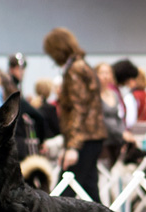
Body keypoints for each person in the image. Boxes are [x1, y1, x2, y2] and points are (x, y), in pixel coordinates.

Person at [43, 27, 106, 202]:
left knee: (62, 192)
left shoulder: (75, 70)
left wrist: (72, 147)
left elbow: (79, 109)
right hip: (91, 137)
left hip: (83, 139)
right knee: (90, 191)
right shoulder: (82, 66)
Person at [94, 62, 127, 169]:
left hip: (116, 140)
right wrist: (121, 133)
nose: (105, 76)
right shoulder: (94, 96)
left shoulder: (114, 94)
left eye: (108, 72)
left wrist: (123, 132)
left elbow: (119, 116)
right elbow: (101, 118)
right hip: (102, 139)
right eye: (102, 73)